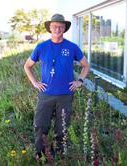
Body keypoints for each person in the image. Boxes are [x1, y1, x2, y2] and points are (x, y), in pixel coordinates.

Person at [24, 14, 89, 159]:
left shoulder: (72, 47)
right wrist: (35, 83)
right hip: (45, 94)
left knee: (62, 127)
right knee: (41, 125)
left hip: (65, 95)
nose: (57, 29)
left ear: (64, 28)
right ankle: (40, 154)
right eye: (54, 26)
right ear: (50, 28)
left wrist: (79, 81)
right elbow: (27, 66)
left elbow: (85, 65)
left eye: (60, 26)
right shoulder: (41, 47)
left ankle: (59, 154)